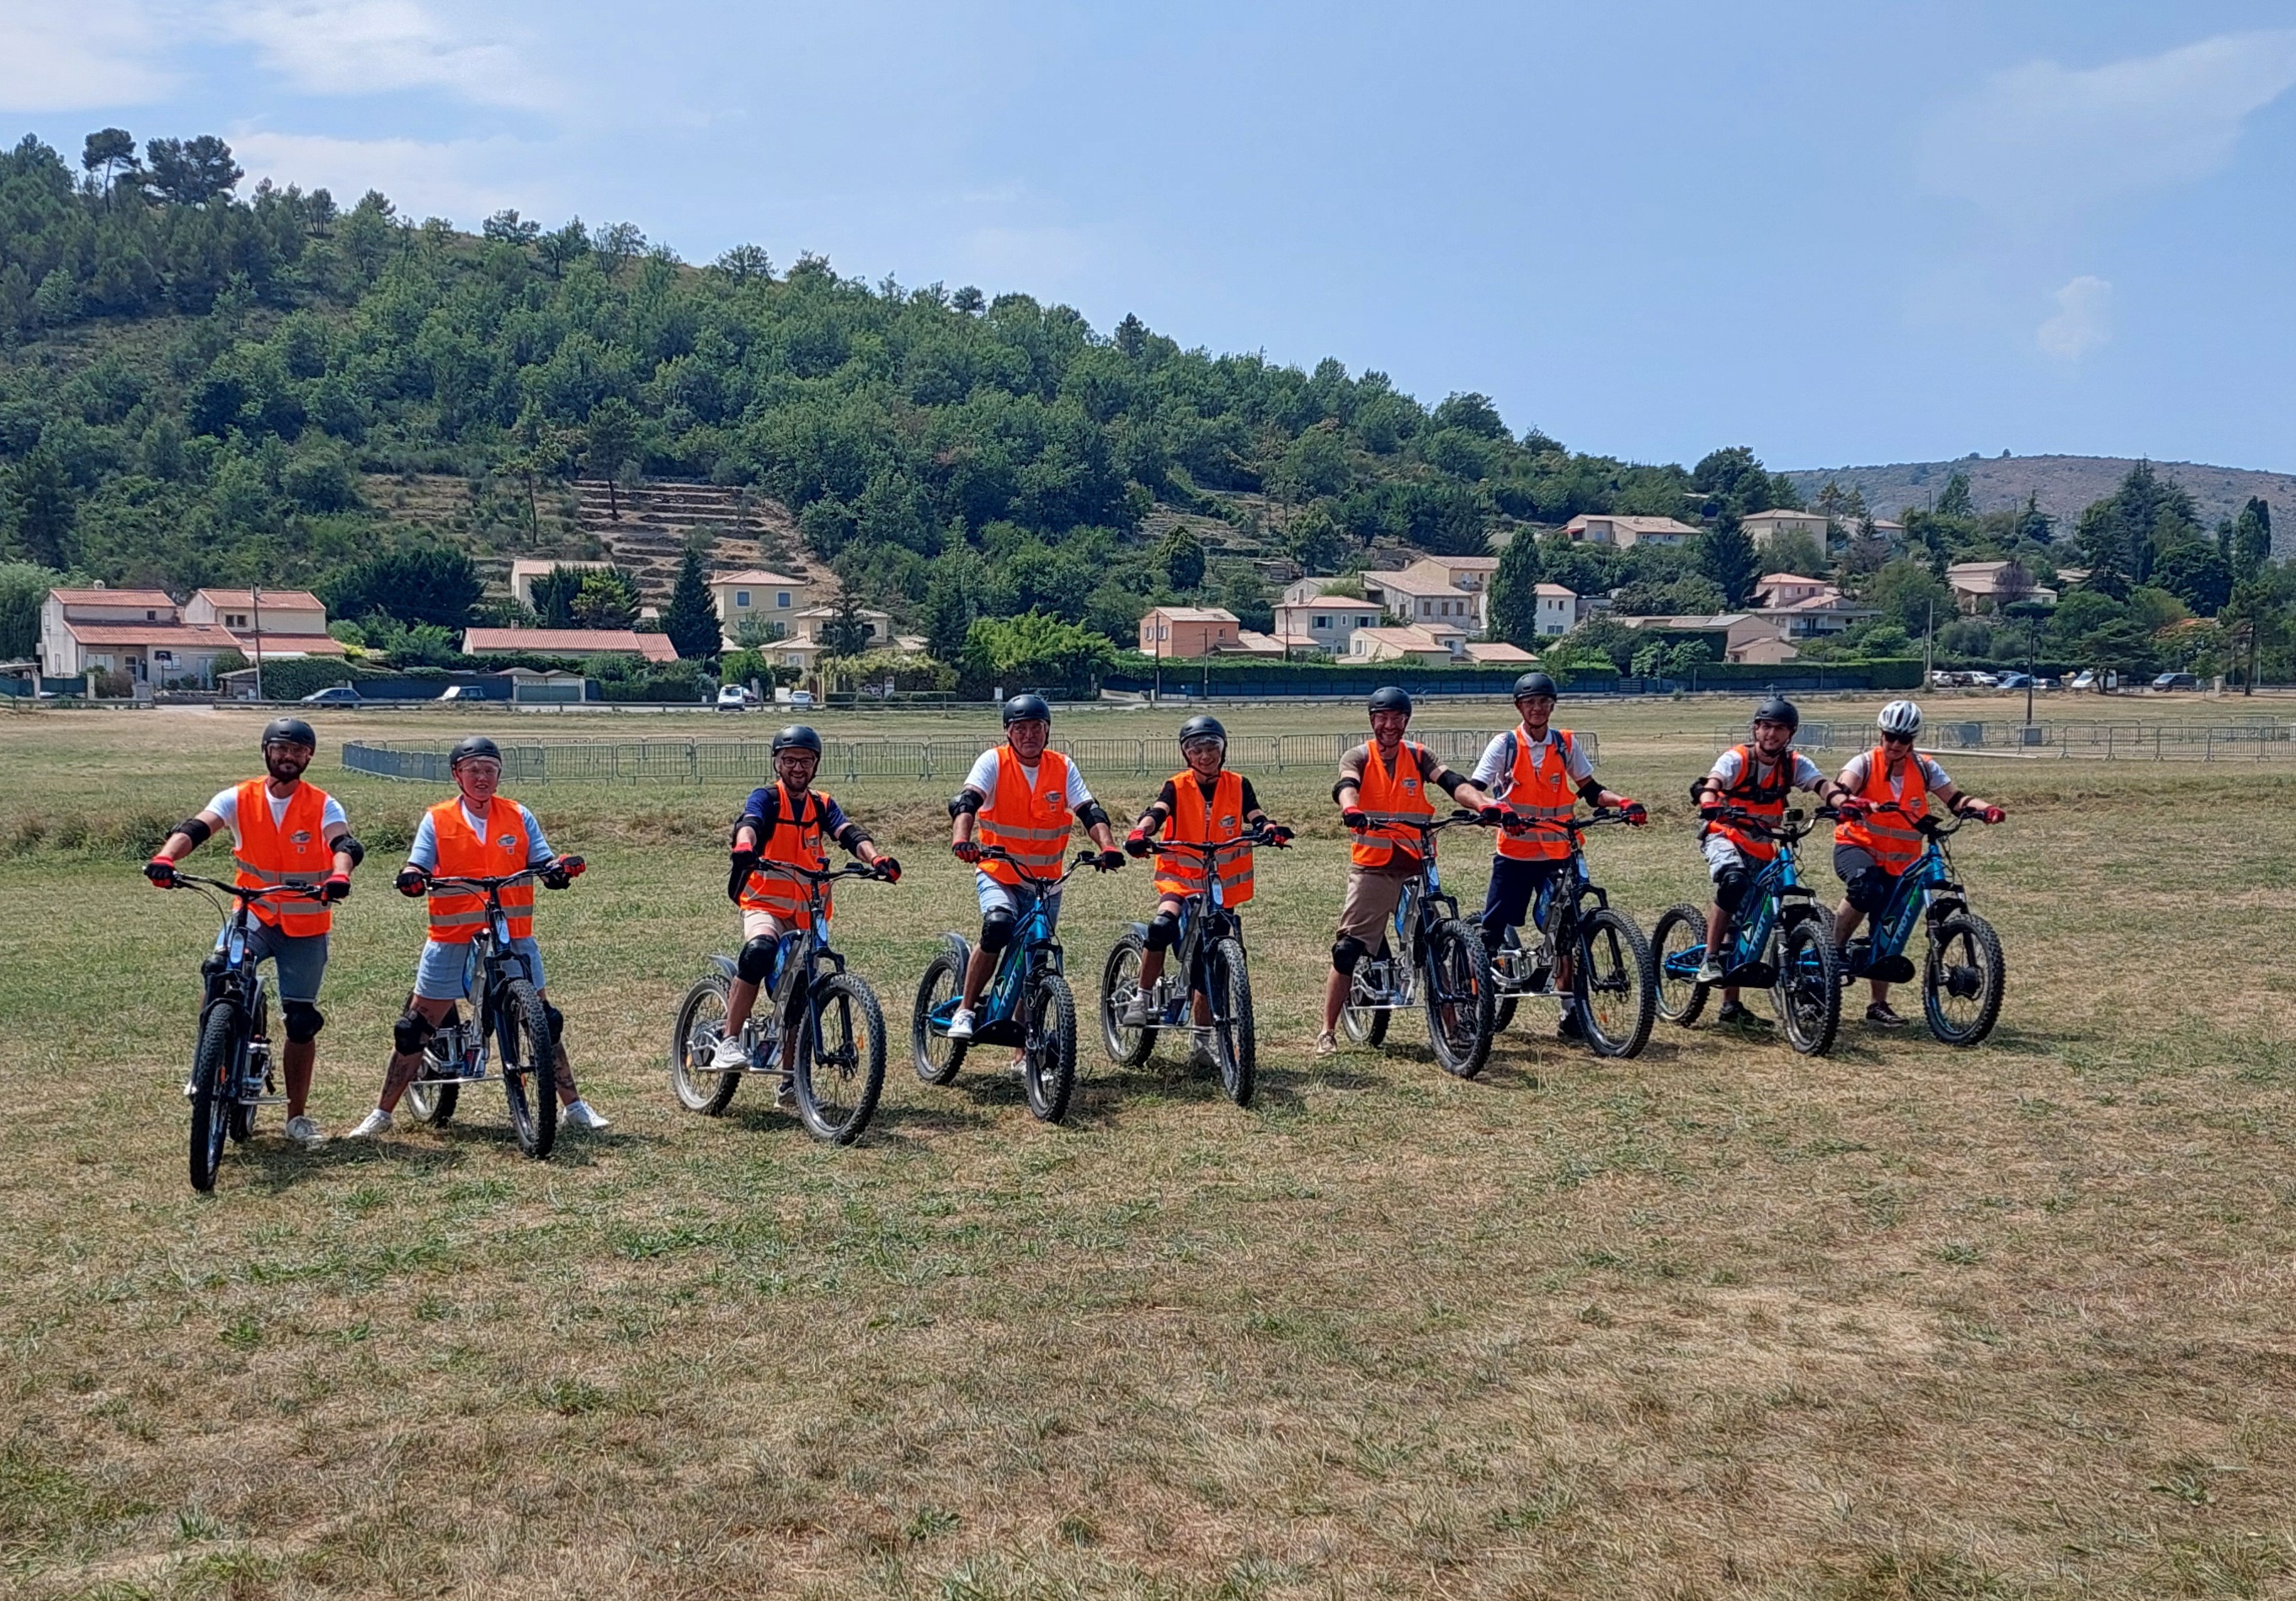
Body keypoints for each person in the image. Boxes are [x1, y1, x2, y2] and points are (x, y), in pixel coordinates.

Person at [345, 736, 608, 1137]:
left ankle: (574, 1106)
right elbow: (419, 862)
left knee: (544, 1021)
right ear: (457, 775)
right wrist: (413, 876)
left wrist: (557, 871)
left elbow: (541, 859)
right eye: (473, 771)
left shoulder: (518, 815)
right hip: (452, 936)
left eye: (490, 770)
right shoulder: (438, 819)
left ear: (499, 775)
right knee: (415, 1026)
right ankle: (382, 1112)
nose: (482, 778)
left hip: (512, 935)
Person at [144, 717, 360, 1147]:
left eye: (298, 751)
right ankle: (207, 1066)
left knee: (301, 1021)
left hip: (305, 924)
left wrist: (341, 875)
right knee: (218, 972)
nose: (288, 757)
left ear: (309, 757)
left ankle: (296, 1117)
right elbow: (195, 828)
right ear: (266, 751)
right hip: (253, 915)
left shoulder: (323, 804)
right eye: (280, 749)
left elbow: (344, 844)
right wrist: (166, 858)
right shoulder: (237, 797)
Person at [1319, 686, 1503, 1056]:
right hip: (1373, 868)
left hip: (1417, 862)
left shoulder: (1420, 756)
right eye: (1382, 718)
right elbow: (1346, 784)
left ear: (1406, 721)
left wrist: (1483, 804)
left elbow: (1453, 783)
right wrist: (1351, 808)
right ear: (1372, 720)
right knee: (1348, 949)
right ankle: (1327, 1030)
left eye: (1397, 718)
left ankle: (1453, 1027)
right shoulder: (1359, 755)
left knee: (1435, 941)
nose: (1390, 725)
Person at [712, 724, 899, 1080]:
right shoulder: (767, 798)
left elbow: (848, 833)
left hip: (808, 913)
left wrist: (876, 859)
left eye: (805, 761)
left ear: (816, 764)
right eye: (790, 760)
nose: (797, 768)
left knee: (802, 989)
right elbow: (750, 823)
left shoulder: (821, 804)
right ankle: (729, 1040)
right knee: (759, 951)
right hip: (766, 904)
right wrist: (745, 845)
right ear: (777, 763)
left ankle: (791, 1080)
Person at [1469, 672, 1644, 1040]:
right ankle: (1473, 1001)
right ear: (1519, 707)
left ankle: (1569, 1013)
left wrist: (1624, 802)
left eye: (1544, 702)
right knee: (1492, 931)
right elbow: (1476, 789)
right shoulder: (1505, 745)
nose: (1537, 708)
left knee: (1567, 930)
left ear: (1552, 705)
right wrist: (1493, 811)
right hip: (1516, 853)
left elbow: (1592, 791)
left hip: (1559, 850)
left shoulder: (1565, 744)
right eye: (1530, 703)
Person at [946, 694, 1123, 1043]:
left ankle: (1023, 1051)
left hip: (1046, 881)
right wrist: (961, 839)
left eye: (1036, 728)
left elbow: (1090, 811)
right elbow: (967, 802)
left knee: (1036, 957)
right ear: (1008, 732)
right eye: (1021, 728)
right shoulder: (994, 761)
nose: (1029, 735)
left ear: (1047, 731)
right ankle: (965, 1009)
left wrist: (1108, 847)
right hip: (999, 873)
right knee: (998, 926)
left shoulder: (1062, 767)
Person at [1121, 715, 1292, 1059]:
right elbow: (1157, 812)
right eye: (1196, 749)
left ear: (1223, 750)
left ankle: (1201, 1042)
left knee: (1208, 961)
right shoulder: (1177, 785)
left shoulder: (1238, 784)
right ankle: (1141, 996)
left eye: (1211, 747)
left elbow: (1255, 815)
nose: (1205, 755)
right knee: (1162, 926)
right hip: (1181, 879)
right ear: (1186, 754)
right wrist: (1141, 832)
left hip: (1219, 885)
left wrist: (1269, 829)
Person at [1831, 700, 2006, 1027]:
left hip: (1902, 861)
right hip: (1857, 847)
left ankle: (1877, 1005)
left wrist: (1987, 809)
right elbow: (1841, 790)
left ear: (1913, 740)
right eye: (1890, 737)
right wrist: (1852, 802)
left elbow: (1955, 799)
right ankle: (1834, 950)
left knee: (1890, 922)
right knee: (1866, 888)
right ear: (1881, 734)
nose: (1895, 744)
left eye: (1904, 739)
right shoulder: (1864, 763)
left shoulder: (1925, 768)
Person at [1691, 696, 1852, 1026]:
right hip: (1725, 835)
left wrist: (1843, 803)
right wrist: (1709, 803)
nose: (1771, 734)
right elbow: (1712, 783)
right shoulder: (1737, 758)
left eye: (1779, 728)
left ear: (1791, 733)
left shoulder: (1794, 764)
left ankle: (1731, 1007)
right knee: (1733, 882)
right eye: (1765, 726)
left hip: (1764, 843)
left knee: (1748, 915)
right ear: (1756, 729)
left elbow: (1823, 785)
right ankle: (1710, 957)